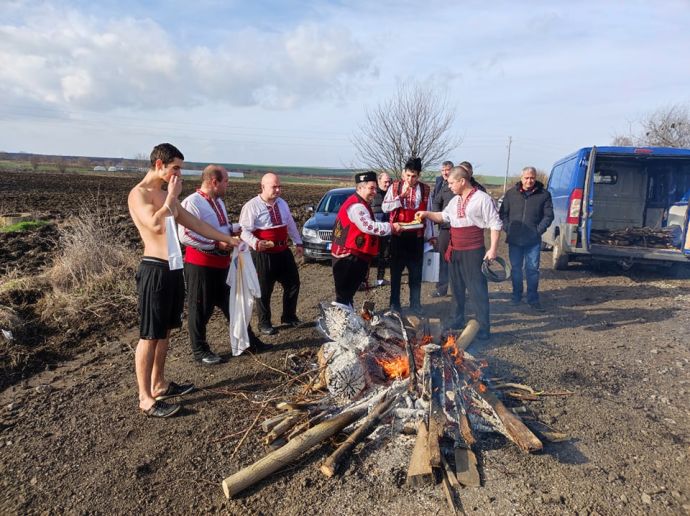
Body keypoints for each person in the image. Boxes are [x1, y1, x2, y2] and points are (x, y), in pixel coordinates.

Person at [128, 143, 241, 418]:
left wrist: (227, 239)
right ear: (159, 164)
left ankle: (159, 383)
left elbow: (194, 223)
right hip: (154, 269)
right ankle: (145, 398)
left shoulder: (165, 194)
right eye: (175, 168)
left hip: (174, 268)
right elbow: (155, 225)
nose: (178, 174)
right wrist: (172, 197)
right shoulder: (139, 194)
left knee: (165, 332)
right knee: (149, 334)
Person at [178, 165, 266, 366]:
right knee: (200, 309)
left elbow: (220, 228)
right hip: (201, 266)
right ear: (214, 182)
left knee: (233, 304)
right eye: (226, 181)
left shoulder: (218, 202)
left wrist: (234, 229)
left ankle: (247, 341)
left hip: (222, 264)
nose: (228, 184)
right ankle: (200, 350)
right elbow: (186, 235)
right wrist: (216, 243)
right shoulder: (192, 203)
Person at [416, 165, 502, 340]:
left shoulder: (482, 199)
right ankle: (457, 318)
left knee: (477, 289)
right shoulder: (455, 201)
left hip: (473, 251)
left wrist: (493, 249)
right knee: (456, 287)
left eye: (451, 183)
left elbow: (495, 224)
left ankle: (483, 327)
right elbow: (443, 217)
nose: (449, 186)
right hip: (455, 249)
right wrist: (426, 213)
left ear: (462, 181)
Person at [239, 173, 303, 335]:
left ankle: (289, 316)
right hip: (264, 254)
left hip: (283, 251)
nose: (278, 190)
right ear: (263, 187)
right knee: (264, 289)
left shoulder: (282, 203)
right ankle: (264, 323)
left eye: (279, 186)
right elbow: (243, 231)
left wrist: (298, 242)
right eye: (274, 187)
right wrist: (256, 243)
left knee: (293, 283)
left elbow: (290, 223)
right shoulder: (252, 206)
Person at [332, 171, 402, 307]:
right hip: (348, 257)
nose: (375, 192)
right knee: (343, 296)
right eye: (371, 188)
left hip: (352, 254)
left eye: (375, 188)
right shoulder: (357, 206)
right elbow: (369, 226)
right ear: (360, 187)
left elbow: (370, 223)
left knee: (347, 295)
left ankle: (347, 315)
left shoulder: (361, 203)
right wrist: (391, 227)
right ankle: (341, 318)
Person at [382, 157, 435, 315]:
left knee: (416, 274)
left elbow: (429, 214)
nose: (411, 179)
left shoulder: (425, 190)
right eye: (408, 175)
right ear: (403, 173)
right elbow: (385, 207)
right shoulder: (395, 187)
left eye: (414, 176)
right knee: (396, 273)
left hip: (416, 237)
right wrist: (400, 197)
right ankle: (394, 305)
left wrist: (431, 236)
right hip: (398, 237)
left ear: (419, 175)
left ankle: (415, 304)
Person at [499, 166, 554, 311]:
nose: (529, 181)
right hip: (515, 238)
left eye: (532, 178)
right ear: (521, 178)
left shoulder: (544, 195)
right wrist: (508, 228)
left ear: (535, 178)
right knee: (516, 269)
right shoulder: (511, 193)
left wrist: (538, 231)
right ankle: (516, 296)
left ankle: (533, 299)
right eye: (526, 178)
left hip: (533, 240)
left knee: (532, 270)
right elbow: (503, 213)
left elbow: (549, 216)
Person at [431, 160, 454, 297]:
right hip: (444, 227)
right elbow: (436, 201)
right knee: (442, 257)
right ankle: (442, 287)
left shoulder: (458, 185)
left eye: (448, 170)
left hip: (458, 227)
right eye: (443, 170)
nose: (445, 173)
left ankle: (459, 289)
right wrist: (436, 215)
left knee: (457, 259)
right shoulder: (440, 183)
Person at [370, 172, 392, 286]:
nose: (387, 184)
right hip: (373, 229)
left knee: (384, 255)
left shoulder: (392, 192)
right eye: (385, 182)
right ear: (379, 181)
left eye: (389, 182)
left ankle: (380, 279)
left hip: (387, 229)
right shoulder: (372, 193)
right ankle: (363, 280)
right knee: (369, 255)